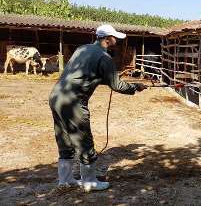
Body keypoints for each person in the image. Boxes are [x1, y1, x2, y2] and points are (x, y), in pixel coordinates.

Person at [49, 24, 147, 192]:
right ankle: (89, 182)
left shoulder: (82, 49)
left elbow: (84, 74)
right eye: (114, 37)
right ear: (107, 39)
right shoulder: (104, 57)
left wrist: (104, 80)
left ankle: (65, 181)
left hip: (56, 96)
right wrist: (135, 87)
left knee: (64, 140)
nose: (117, 40)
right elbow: (117, 85)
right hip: (73, 102)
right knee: (84, 141)